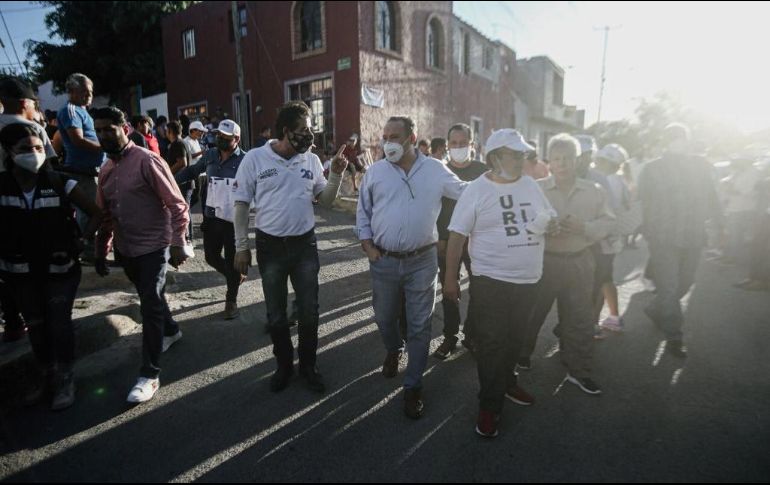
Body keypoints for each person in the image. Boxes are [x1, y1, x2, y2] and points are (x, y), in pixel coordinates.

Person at [445, 129, 554, 437]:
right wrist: (450, 279)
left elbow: (547, 214)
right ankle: (489, 406)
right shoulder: (477, 190)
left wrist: (552, 222)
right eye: (514, 155)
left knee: (516, 339)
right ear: (494, 158)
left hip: (529, 280)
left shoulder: (530, 185)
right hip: (491, 281)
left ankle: (507, 383)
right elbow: (456, 236)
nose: (521, 160)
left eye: (523, 155)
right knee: (492, 343)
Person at [356, 116, 466, 419]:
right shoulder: (375, 173)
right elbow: (362, 212)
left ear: (411, 137)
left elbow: (464, 191)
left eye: (394, 136)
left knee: (420, 325)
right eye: (385, 136)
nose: (388, 142)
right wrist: (368, 246)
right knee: (384, 317)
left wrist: (498, 182)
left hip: (422, 260)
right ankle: (394, 348)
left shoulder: (434, 169)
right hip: (384, 260)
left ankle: (413, 385)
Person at [233, 101, 347, 394]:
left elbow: (326, 202)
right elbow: (241, 205)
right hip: (270, 247)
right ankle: (284, 365)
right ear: (286, 131)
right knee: (276, 314)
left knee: (309, 311)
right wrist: (241, 246)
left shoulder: (309, 160)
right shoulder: (255, 159)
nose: (310, 136)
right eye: (304, 130)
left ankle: (309, 365)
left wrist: (335, 174)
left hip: (304, 246)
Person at [0, 122, 102, 410]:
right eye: (24, 149)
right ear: (9, 152)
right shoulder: (2, 187)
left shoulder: (60, 182)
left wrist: (82, 240)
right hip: (20, 273)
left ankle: (65, 378)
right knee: (36, 327)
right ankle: (46, 376)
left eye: (37, 148)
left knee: (59, 324)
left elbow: (95, 213)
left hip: (60, 270)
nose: (33, 154)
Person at [93, 107, 190, 404]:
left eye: (109, 128)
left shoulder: (148, 161)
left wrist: (177, 242)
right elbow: (106, 216)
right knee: (152, 296)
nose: (103, 135)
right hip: (127, 250)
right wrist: (102, 249)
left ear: (124, 127)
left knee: (148, 303)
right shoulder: (106, 171)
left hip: (154, 247)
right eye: (98, 130)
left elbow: (177, 205)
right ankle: (171, 329)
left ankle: (149, 374)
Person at [519, 134, 614, 395]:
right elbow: (521, 224)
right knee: (533, 313)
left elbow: (608, 222)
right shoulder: (534, 188)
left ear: (578, 160)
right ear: (549, 161)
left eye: (568, 158)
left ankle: (578, 369)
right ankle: (522, 354)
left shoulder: (593, 191)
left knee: (580, 318)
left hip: (579, 262)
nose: (563, 164)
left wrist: (585, 227)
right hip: (544, 261)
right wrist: (543, 228)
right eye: (557, 158)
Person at [638, 123, 723, 358]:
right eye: (673, 137)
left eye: (681, 137)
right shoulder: (652, 169)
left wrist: (719, 224)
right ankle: (675, 336)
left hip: (693, 236)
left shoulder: (701, 166)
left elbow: (712, 197)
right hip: (663, 237)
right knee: (670, 286)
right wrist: (643, 228)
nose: (678, 141)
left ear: (688, 140)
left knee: (685, 283)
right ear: (665, 141)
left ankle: (655, 309)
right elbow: (641, 200)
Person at [176, 120, 246, 320]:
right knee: (210, 257)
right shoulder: (210, 155)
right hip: (212, 216)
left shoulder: (246, 160)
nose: (220, 139)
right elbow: (192, 171)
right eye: (218, 136)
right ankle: (235, 277)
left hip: (234, 220)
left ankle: (231, 300)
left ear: (237, 139)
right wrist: (171, 180)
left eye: (225, 137)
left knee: (233, 261)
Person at [433, 123, 487, 359]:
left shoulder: (485, 172)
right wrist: (440, 238)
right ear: (447, 146)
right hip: (447, 244)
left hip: (479, 243)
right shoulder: (440, 172)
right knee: (449, 290)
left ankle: (472, 335)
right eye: (453, 144)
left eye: (462, 143)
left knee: (479, 291)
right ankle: (450, 337)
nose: (457, 147)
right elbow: (436, 209)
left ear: (472, 145)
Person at [57, 73, 104, 262]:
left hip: (91, 171)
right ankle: (87, 254)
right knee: (88, 214)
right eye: (84, 91)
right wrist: (104, 147)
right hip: (80, 172)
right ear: (72, 91)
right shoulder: (70, 110)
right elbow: (77, 140)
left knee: (93, 212)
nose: (88, 95)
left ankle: (91, 251)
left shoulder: (82, 110)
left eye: (90, 92)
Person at [592, 144, 633, 333]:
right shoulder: (620, 181)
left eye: (599, 160)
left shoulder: (605, 181)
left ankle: (592, 324)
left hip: (602, 240)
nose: (596, 162)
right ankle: (614, 317)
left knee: (597, 281)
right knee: (605, 279)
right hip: (612, 240)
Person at [0, 77, 58, 171]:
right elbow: (48, 162)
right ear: (25, 103)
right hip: (27, 183)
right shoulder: (34, 128)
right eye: (34, 104)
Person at [719, 156, 760, 266]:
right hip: (735, 207)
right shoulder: (740, 172)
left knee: (737, 236)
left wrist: (730, 189)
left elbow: (747, 192)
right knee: (733, 235)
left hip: (744, 208)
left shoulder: (753, 173)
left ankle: (734, 258)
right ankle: (729, 255)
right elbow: (728, 181)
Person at [166, 121, 194, 241]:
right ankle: (187, 237)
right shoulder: (182, 142)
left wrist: (167, 173)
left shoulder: (177, 143)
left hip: (182, 183)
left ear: (170, 131)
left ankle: (187, 238)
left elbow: (182, 162)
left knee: (183, 211)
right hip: (185, 182)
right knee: (185, 210)